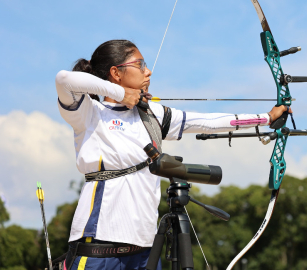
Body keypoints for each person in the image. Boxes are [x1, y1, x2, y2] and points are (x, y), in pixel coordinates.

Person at [55, 39, 291, 270]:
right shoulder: (89, 113)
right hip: (98, 248)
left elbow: (209, 122)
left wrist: (266, 118)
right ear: (116, 73)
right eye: (140, 64)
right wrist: (119, 93)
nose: (148, 71)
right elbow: (64, 79)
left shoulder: (152, 114)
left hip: (145, 251)